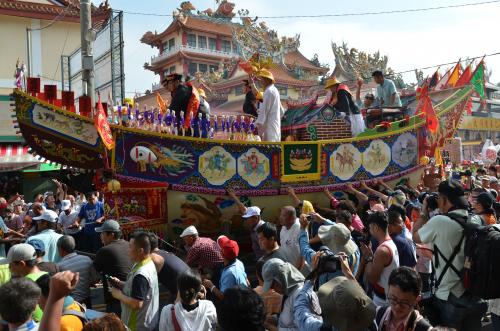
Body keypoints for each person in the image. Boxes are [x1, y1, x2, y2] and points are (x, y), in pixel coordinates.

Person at [413, 180, 487, 330]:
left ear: (445, 200)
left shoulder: (440, 221)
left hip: (448, 296)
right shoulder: (477, 219)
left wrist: (424, 211)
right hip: (474, 295)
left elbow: (415, 236)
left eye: (439, 198)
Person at [294, 253, 376, 331]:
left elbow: (300, 312)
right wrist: (348, 272)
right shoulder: (371, 323)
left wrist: (313, 275)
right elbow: (359, 298)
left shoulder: (321, 329)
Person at [110, 231, 159, 331]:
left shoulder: (141, 274)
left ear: (140, 251)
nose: (128, 250)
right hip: (148, 322)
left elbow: (137, 304)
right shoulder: (146, 262)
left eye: (130, 247)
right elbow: (140, 288)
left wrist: (118, 295)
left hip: (137, 325)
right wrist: (121, 283)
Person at [360, 211, 400, 306]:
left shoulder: (382, 250)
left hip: (383, 300)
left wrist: (368, 257)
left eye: (370, 228)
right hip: (389, 295)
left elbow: (372, 279)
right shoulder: (389, 243)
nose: (369, 230)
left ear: (375, 227)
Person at [94, 220, 133, 315]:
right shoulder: (129, 245)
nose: (100, 236)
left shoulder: (104, 250)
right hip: (133, 293)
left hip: (115, 299)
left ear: (111, 235)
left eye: (103, 233)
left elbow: (95, 271)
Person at [0, 243, 47, 322]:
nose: (9, 268)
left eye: (10, 265)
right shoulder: (47, 275)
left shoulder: (22, 286)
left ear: (22, 264)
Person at [261, 258, 305, 331]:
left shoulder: (300, 298)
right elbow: (289, 318)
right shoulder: (288, 292)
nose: (272, 289)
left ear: (281, 278)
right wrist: (274, 318)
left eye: (272, 285)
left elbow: (302, 328)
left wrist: (271, 328)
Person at [57, 235, 100, 307]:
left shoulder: (59, 266)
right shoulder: (87, 259)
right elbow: (95, 279)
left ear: (60, 249)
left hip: (70, 304)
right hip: (86, 301)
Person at [202, 235, 248, 301]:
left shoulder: (229, 273)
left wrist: (211, 286)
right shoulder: (239, 263)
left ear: (221, 253)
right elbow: (247, 283)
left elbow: (224, 297)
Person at [148, 232, 189, 303]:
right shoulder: (163, 252)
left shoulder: (153, 258)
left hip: (185, 292)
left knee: (166, 310)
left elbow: (145, 282)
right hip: (191, 283)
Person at [228, 189, 266, 260]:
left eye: (247, 219)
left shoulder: (263, 230)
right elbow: (243, 209)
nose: (246, 221)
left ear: (255, 218)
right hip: (255, 253)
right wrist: (233, 196)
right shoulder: (254, 222)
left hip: (262, 260)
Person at [254, 69, 283, 142]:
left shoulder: (268, 91)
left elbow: (263, 113)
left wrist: (253, 126)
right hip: (274, 128)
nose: (260, 81)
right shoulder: (275, 90)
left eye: (261, 79)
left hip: (268, 130)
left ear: (265, 80)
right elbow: (281, 112)